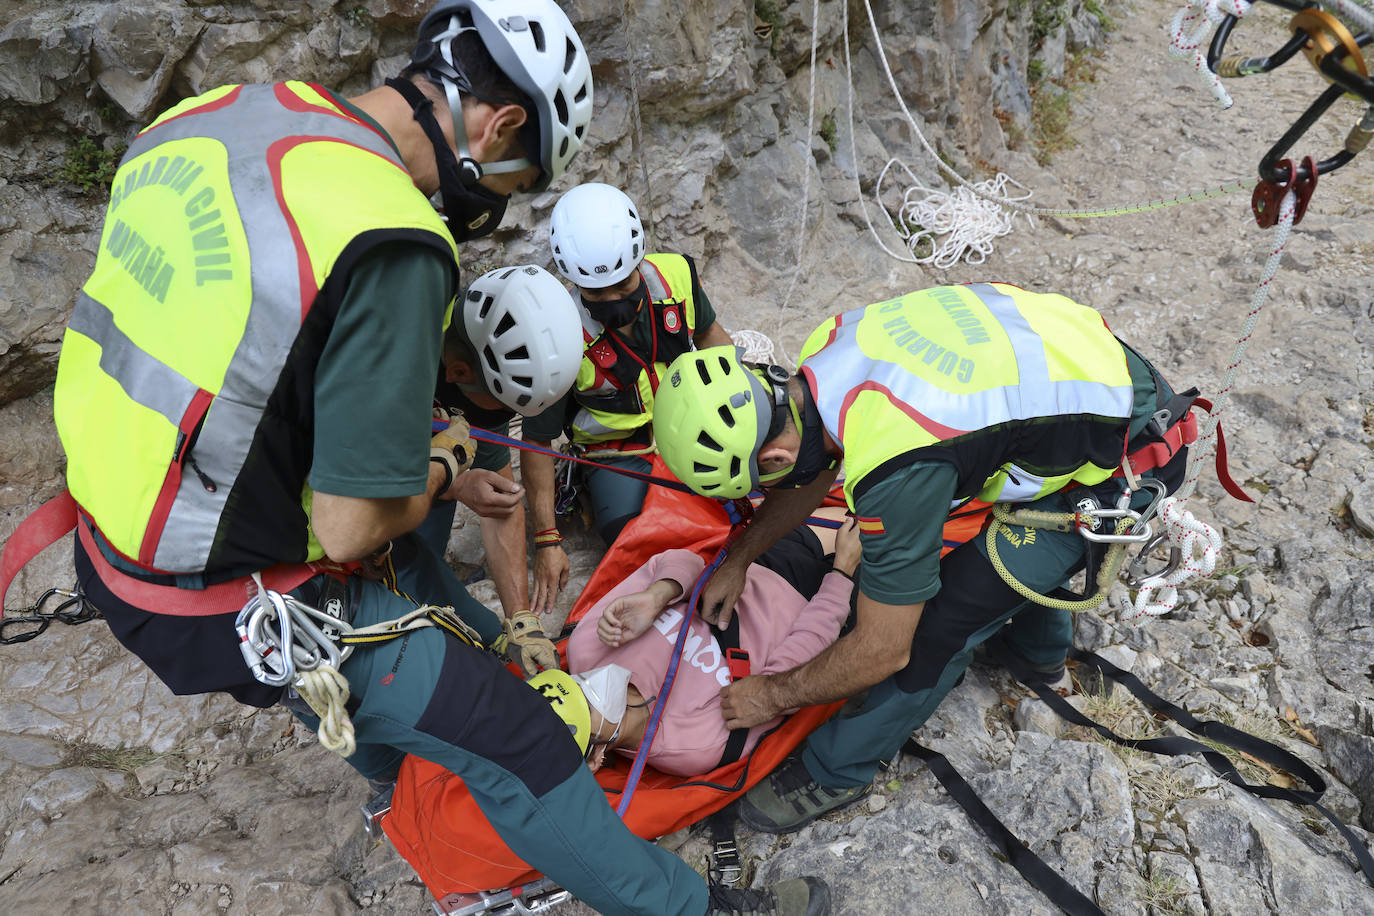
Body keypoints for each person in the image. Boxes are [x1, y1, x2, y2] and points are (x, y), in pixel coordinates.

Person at [49, 1, 828, 911]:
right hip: (229, 588)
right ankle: (697, 908)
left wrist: (496, 611)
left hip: (117, 524)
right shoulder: (393, 242)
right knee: (521, 743)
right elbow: (346, 531)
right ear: (498, 126)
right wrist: (447, 469)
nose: (499, 198)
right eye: (517, 174)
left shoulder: (217, 116)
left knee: (408, 570)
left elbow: (234, 351)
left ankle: (390, 773)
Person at [650, 282, 1198, 835]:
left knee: (940, 622)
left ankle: (838, 770)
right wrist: (741, 556)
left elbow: (883, 651)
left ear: (771, 452)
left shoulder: (898, 472)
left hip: (1129, 456)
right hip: (1091, 376)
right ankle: (1036, 655)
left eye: (758, 481)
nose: (765, 491)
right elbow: (809, 468)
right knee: (993, 562)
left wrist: (771, 693)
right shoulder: (826, 352)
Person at [519, 182, 734, 613]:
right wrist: (547, 540)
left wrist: (739, 403)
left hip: (688, 422)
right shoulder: (558, 338)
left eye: (624, 284)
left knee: (740, 496)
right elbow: (537, 442)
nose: (615, 301)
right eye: (597, 294)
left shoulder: (675, 278)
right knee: (634, 535)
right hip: (616, 453)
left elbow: (710, 336)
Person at [549, 511, 860, 776]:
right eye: (585, 705)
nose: (586, 684)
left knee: (860, 508)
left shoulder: (589, 646)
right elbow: (794, 671)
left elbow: (678, 560)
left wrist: (658, 594)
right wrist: (842, 573)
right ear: (596, 756)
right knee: (892, 544)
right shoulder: (692, 743)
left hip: (757, 565)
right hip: (813, 609)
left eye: (572, 684)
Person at [420, 263, 583, 674]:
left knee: (432, 574)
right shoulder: (394, 364)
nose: (508, 416)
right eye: (506, 407)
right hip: (328, 516)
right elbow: (357, 494)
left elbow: (500, 499)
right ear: (459, 373)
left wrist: (522, 622)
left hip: (424, 481)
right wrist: (454, 483)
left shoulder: (484, 372)